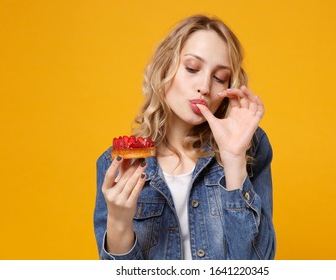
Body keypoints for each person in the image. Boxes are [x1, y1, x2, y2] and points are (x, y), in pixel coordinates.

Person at [94, 14, 276, 260]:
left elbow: (257, 266)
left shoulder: (250, 146)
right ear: (165, 67)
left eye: (219, 77)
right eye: (192, 68)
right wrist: (118, 221)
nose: (204, 86)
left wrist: (234, 159)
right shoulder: (117, 163)